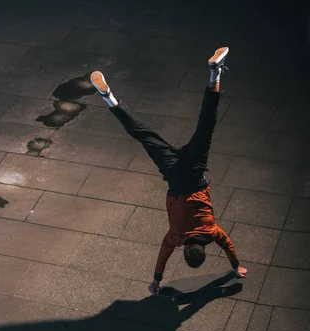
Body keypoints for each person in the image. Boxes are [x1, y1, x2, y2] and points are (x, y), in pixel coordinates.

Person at [90, 47, 247, 295]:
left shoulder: (212, 231)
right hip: (173, 174)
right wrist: (156, 281)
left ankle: (215, 72)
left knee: (207, 124)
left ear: (204, 248)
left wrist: (237, 267)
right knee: (143, 135)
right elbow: (163, 256)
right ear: (184, 249)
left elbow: (227, 244)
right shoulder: (176, 236)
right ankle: (108, 97)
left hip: (195, 172)